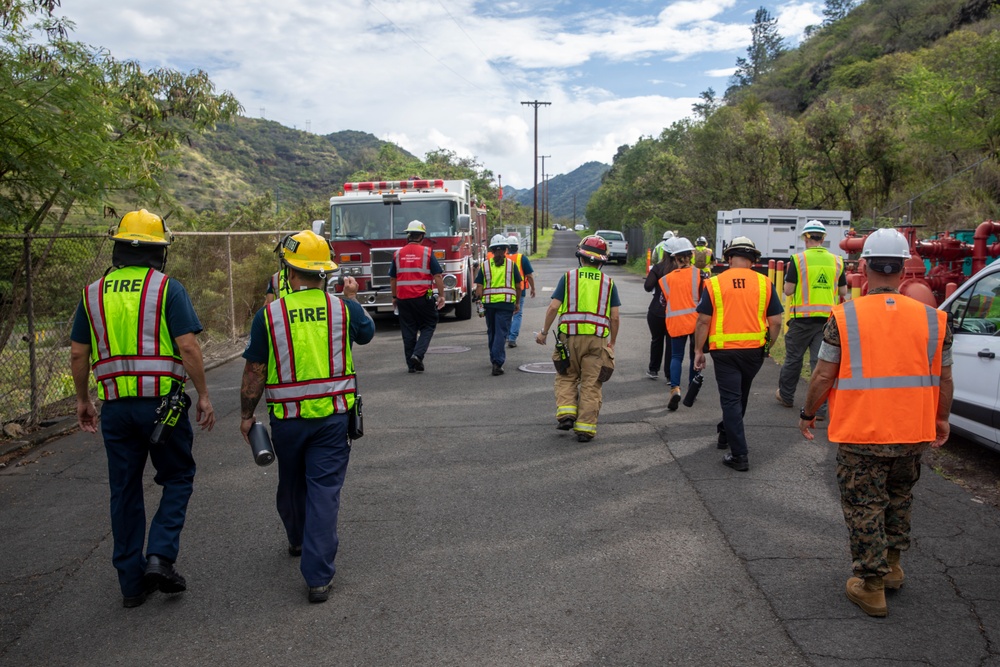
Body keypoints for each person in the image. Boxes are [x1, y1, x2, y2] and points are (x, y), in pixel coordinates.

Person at [799, 228, 952, 618]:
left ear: (863, 266)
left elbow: (822, 375)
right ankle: (894, 567)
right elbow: (945, 379)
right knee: (899, 498)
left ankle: (871, 585)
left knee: (864, 505)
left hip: (862, 433)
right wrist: (941, 420)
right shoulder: (934, 320)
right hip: (912, 432)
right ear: (904, 269)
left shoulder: (846, 317)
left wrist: (809, 412)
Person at [69, 209, 216, 608]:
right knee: (178, 475)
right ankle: (160, 556)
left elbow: (79, 353)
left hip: (115, 409)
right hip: (162, 408)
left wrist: (84, 400)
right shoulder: (166, 288)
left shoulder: (92, 293)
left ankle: (131, 584)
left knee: (125, 490)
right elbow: (187, 346)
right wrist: (202, 394)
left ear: (118, 247)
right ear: (158, 251)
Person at [239, 229, 375, 603]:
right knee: (324, 492)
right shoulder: (343, 309)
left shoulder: (270, 315)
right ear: (325, 272)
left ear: (290, 272)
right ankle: (317, 577)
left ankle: (297, 538)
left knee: (292, 483)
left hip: (288, 422)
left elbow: (255, 370)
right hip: (333, 419)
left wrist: (247, 415)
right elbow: (367, 334)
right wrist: (352, 299)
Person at [693, 236, 783, 471]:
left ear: (729, 258)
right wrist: (767, 348)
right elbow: (775, 323)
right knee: (739, 397)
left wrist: (698, 350)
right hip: (753, 352)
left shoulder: (714, 283)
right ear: (753, 260)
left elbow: (703, 320)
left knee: (732, 400)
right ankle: (725, 433)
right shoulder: (765, 283)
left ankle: (740, 455)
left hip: (724, 352)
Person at [535, 235, 621, 442]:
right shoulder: (609, 283)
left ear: (580, 257)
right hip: (597, 341)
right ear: (601, 261)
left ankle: (566, 414)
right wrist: (613, 343)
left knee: (566, 375)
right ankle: (585, 428)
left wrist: (544, 332)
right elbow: (615, 317)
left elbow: (554, 307)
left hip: (568, 339)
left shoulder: (569, 277)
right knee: (591, 383)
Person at [776, 220, 847, 413]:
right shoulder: (837, 260)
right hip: (828, 321)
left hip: (802, 320)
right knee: (821, 363)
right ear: (823, 238)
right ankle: (820, 407)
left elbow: (788, 290)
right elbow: (843, 290)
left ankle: (786, 396)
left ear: (806, 238)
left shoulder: (798, 260)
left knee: (794, 359)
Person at [389, 220, 446, 373]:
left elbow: (393, 278)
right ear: (421, 236)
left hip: (403, 298)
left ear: (409, 235)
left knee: (408, 330)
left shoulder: (398, 253)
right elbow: (438, 276)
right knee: (428, 324)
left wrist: (394, 297)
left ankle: (411, 365)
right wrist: (441, 295)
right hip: (423, 297)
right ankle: (418, 355)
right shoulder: (427, 252)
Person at [660, 238, 703, 410]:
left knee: (676, 356)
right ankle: (692, 389)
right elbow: (706, 300)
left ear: (675, 258)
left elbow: (664, 301)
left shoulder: (666, 279)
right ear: (691, 256)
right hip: (696, 322)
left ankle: (675, 388)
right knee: (695, 355)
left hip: (676, 322)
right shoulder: (700, 275)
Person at [475, 234, 522, 376]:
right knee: (501, 333)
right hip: (506, 304)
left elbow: (479, 287)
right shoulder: (511, 265)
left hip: (489, 305)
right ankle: (497, 362)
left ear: (492, 251)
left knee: (493, 332)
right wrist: (517, 302)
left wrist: (479, 303)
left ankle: (494, 358)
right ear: (506, 250)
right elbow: (519, 286)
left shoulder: (485, 266)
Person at [643, 238, 676, 380]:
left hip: (656, 310)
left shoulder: (658, 268)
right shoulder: (681, 271)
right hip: (674, 312)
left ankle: (653, 369)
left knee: (656, 340)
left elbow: (647, 287)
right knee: (671, 344)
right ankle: (670, 375)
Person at [506, 235, 535, 348]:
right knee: (517, 314)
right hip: (520, 290)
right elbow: (529, 275)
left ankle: (507, 336)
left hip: (506, 290)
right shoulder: (522, 258)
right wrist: (533, 288)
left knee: (507, 314)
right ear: (517, 247)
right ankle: (512, 338)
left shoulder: (502, 258)